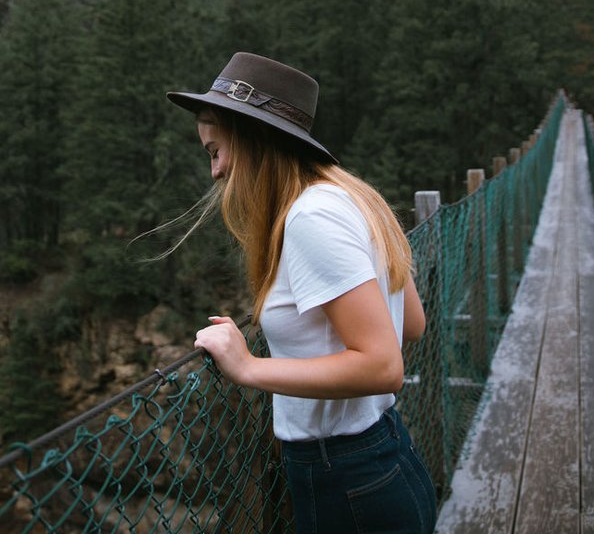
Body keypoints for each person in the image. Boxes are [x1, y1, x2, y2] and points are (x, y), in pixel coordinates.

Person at [167, 51, 437, 533]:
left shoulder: (312, 218)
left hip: (347, 481)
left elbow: (383, 365)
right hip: (383, 461)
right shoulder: (354, 197)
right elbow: (410, 324)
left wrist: (249, 366)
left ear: (253, 139)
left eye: (215, 151)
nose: (215, 171)